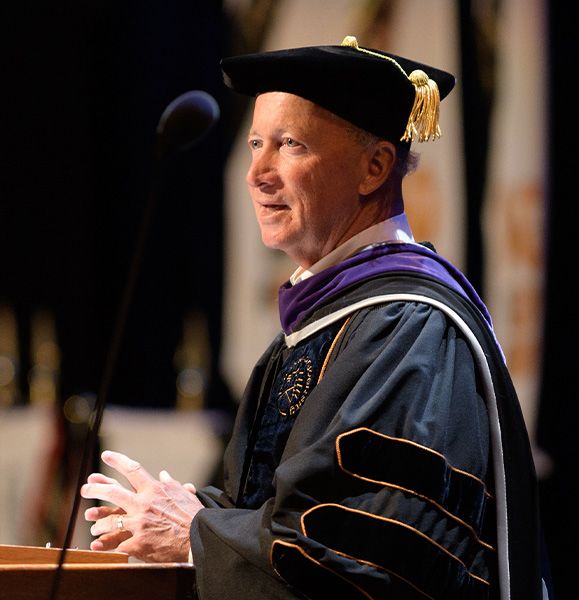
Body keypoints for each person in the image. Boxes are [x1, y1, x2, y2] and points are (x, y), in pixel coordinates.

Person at [81, 36, 548, 599]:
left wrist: (196, 534)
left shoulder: (407, 327)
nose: (256, 172)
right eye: (255, 142)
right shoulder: (323, 321)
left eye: (290, 144)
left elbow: (360, 554)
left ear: (374, 167)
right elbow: (282, 511)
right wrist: (191, 516)